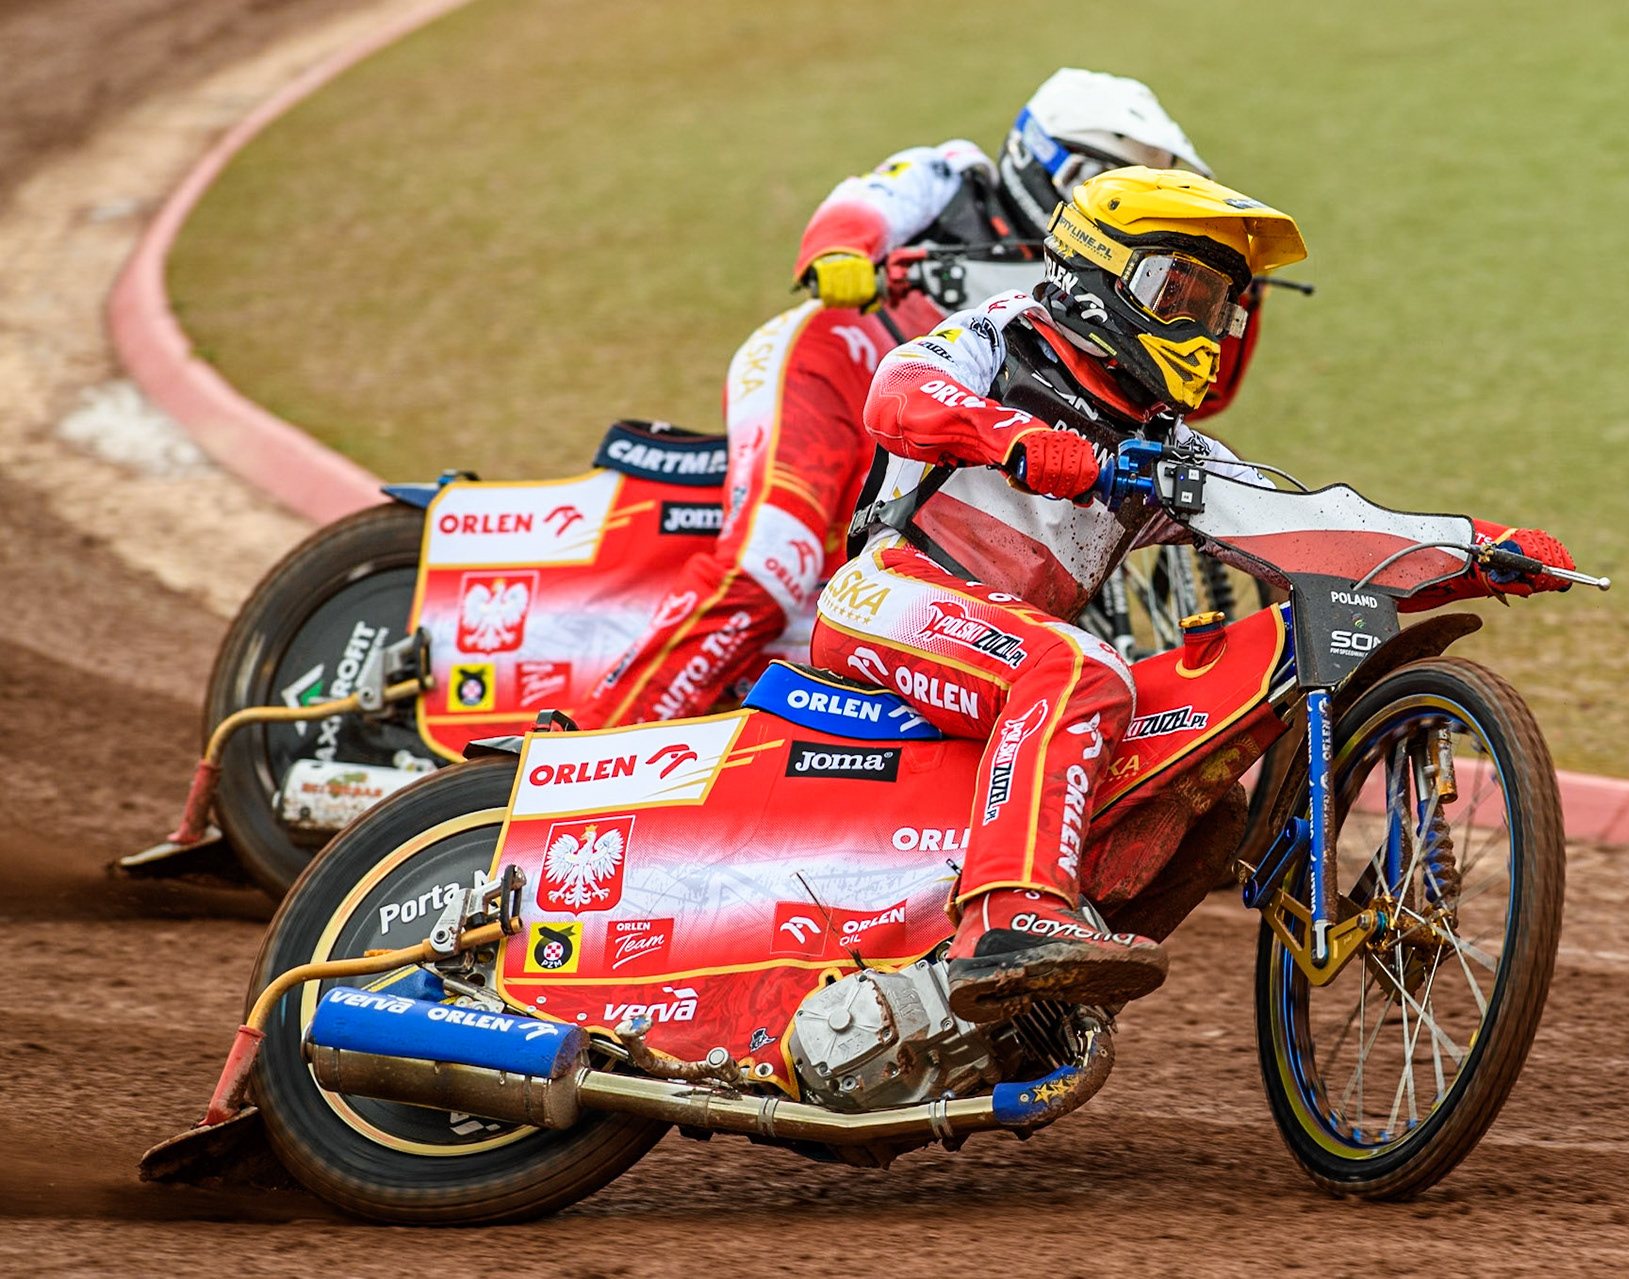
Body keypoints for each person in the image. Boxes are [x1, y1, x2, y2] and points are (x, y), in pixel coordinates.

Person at [810, 167, 1578, 1020]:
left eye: (1221, 308)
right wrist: (1022, 440)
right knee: (1079, 671)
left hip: (1011, 647)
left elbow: (1309, 527)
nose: (1205, 329)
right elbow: (897, 393)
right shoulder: (1003, 338)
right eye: (1180, 293)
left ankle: (1037, 1016)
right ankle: (1005, 917)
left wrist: (1471, 550)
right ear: (1100, 276)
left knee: (1206, 811)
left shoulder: (1171, 449)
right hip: (885, 597)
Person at [572, 70, 1236, 728]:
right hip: (831, 368)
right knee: (774, 566)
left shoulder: (1088, 269)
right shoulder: (954, 177)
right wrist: (844, 250)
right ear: (1050, 164)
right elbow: (863, 206)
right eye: (1102, 179)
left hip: (938, 424)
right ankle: (585, 741)